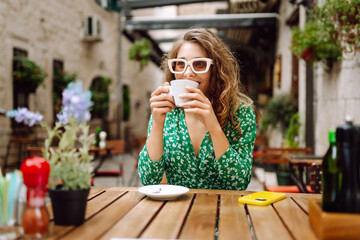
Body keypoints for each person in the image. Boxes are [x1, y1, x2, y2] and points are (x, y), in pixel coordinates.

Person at [138, 28, 260, 190]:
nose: (188, 73)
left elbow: (239, 183)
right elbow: (148, 180)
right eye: (180, 64)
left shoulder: (240, 113)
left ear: (215, 69)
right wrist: (157, 124)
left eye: (199, 64)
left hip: (223, 212)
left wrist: (213, 125)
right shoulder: (165, 111)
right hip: (176, 211)